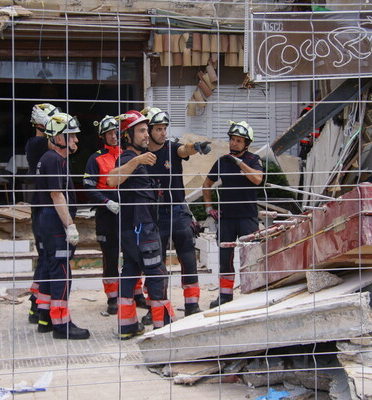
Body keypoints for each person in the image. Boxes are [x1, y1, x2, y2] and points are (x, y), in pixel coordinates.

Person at [107, 110, 175, 339]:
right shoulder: (128, 158)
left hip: (131, 228)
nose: (147, 135)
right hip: (141, 229)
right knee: (156, 273)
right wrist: (137, 160)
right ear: (128, 135)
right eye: (142, 131)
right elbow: (111, 179)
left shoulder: (139, 157)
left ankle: (127, 326)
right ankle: (162, 327)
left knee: (130, 271)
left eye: (148, 130)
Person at [143, 107, 211, 319]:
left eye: (165, 128)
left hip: (178, 211)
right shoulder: (141, 155)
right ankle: (156, 308)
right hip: (154, 215)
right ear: (149, 130)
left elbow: (185, 150)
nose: (163, 133)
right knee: (156, 263)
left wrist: (196, 147)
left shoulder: (172, 148)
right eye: (159, 129)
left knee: (188, 258)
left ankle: (192, 305)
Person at [83, 115, 148, 315]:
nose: (114, 137)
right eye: (109, 134)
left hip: (128, 214)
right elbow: (88, 187)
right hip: (107, 214)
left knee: (133, 255)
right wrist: (106, 202)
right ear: (103, 136)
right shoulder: (95, 158)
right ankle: (112, 298)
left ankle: (137, 294)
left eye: (116, 133)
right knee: (110, 257)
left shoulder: (129, 155)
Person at [35, 112, 90, 340]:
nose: (76, 141)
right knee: (61, 273)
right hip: (55, 220)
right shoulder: (55, 159)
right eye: (71, 136)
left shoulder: (49, 158)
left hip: (46, 219)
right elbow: (57, 194)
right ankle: (62, 324)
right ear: (57, 137)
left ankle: (44, 318)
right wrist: (70, 225)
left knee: (50, 268)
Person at [202, 121, 263, 308]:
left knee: (251, 257)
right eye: (232, 140)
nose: (234, 144)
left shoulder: (253, 160)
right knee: (225, 258)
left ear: (246, 143)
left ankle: (254, 295)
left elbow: (257, 179)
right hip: (226, 217)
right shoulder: (222, 161)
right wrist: (208, 208)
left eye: (238, 141)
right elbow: (206, 185)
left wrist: (239, 162)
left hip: (247, 217)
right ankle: (225, 296)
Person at [26, 103, 57, 324]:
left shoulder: (41, 144)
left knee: (45, 257)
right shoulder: (38, 143)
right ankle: (37, 307)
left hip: (42, 206)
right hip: (42, 207)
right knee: (46, 257)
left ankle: (37, 305)